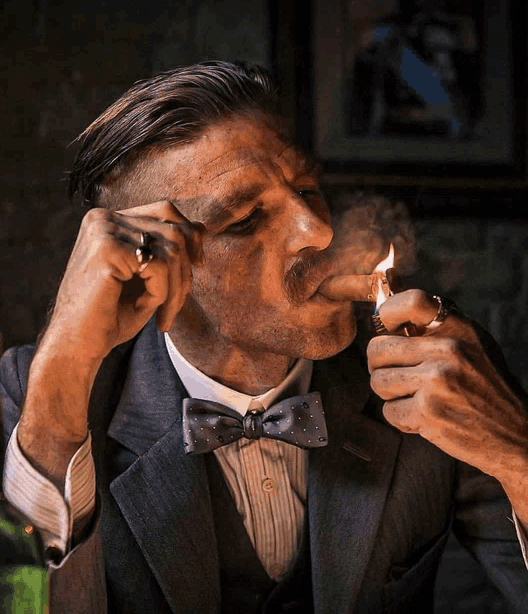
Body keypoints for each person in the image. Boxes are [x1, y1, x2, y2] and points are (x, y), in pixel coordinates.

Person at [1, 61, 528, 613]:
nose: (319, 230)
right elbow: (25, 601)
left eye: (306, 187)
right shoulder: (38, 393)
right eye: (247, 219)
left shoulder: (433, 368)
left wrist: (516, 451)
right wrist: (58, 410)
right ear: (151, 269)